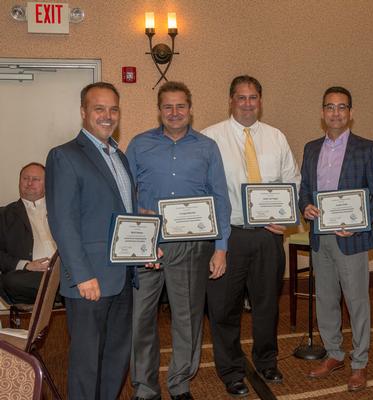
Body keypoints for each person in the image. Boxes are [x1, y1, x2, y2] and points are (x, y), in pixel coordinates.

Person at [126, 81, 231, 400]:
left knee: (187, 318)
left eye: (180, 106)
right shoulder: (139, 144)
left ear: (190, 109)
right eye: (168, 106)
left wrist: (221, 247)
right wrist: (135, 211)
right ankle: (144, 387)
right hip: (147, 243)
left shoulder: (207, 147)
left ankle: (180, 382)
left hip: (191, 246)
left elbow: (220, 198)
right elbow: (124, 191)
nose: (174, 112)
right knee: (141, 319)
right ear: (159, 110)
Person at [202, 75, 300, 397]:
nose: (247, 103)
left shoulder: (276, 137)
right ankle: (231, 370)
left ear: (260, 100)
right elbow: (203, 189)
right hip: (228, 237)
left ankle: (266, 360)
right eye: (241, 98)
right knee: (224, 307)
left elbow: (293, 181)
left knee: (267, 303)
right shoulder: (210, 138)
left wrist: (285, 218)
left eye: (253, 98)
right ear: (230, 100)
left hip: (268, 236)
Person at [45, 82, 136, 399]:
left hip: (123, 274)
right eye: (99, 108)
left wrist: (144, 250)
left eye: (113, 109)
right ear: (84, 112)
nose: (107, 115)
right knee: (86, 362)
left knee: (116, 356)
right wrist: (82, 274)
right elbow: (62, 221)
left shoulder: (120, 158)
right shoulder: (64, 156)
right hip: (90, 280)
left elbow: (125, 214)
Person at [299, 86, 373, 392]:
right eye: (329, 107)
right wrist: (305, 206)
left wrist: (359, 224)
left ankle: (359, 362)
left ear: (351, 113)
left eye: (341, 107)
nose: (335, 113)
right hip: (320, 237)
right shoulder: (311, 148)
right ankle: (334, 353)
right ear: (322, 113)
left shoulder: (367, 148)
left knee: (357, 301)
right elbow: (304, 189)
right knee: (325, 298)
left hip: (352, 238)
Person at [0, 162, 56, 305]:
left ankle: (59, 287)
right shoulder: (4, 215)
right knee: (10, 281)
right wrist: (25, 265)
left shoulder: (61, 209)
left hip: (65, 271)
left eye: (36, 179)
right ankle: (61, 290)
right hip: (29, 277)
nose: (29, 183)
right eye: (25, 178)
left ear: (47, 183)